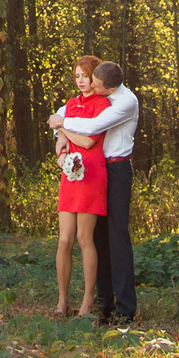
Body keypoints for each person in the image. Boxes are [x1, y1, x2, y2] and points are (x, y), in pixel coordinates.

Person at [52, 60, 137, 325]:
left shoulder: (124, 102)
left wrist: (62, 125)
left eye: (95, 84)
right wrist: (61, 140)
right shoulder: (101, 96)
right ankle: (104, 302)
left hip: (116, 170)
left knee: (117, 237)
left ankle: (125, 309)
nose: (91, 88)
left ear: (110, 88)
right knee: (97, 238)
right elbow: (62, 111)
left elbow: (90, 129)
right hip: (90, 169)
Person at [50, 56, 110, 318]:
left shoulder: (103, 104)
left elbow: (88, 142)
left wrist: (65, 128)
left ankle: (87, 301)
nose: (82, 81)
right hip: (71, 175)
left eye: (86, 76)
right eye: (78, 76)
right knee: (64, 240)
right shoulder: (71, 104)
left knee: (85, 238)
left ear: (95, 77)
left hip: (92, 174)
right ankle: (62, 301)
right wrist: (61, 153)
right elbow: (60, 135)